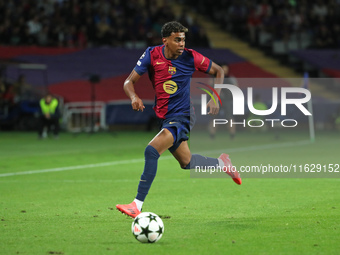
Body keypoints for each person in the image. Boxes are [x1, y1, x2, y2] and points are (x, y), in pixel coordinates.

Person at [116, 21, 241, 218]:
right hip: (165, 116)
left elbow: (219, 71)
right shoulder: (151, 54)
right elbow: (129, 81)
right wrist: (134, 96)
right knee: (187, 162)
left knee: (151, 150)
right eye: (177, 40)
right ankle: (222, 163)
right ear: (165, 40)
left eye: (183, 39)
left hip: (183, 115)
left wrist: (215, 97)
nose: (182, 43)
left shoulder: (192, 57)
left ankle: (136, 204)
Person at [209, 64, 238, 140]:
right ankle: (212, 135)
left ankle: (232, 135)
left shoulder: (231, 78)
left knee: (230, 117)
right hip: (216, 101)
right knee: (214, 118)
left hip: (227, 101)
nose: (225, 70)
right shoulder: (214, 77)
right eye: (223, 69)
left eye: (226, 69)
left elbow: (236, 88)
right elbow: (210, 87)